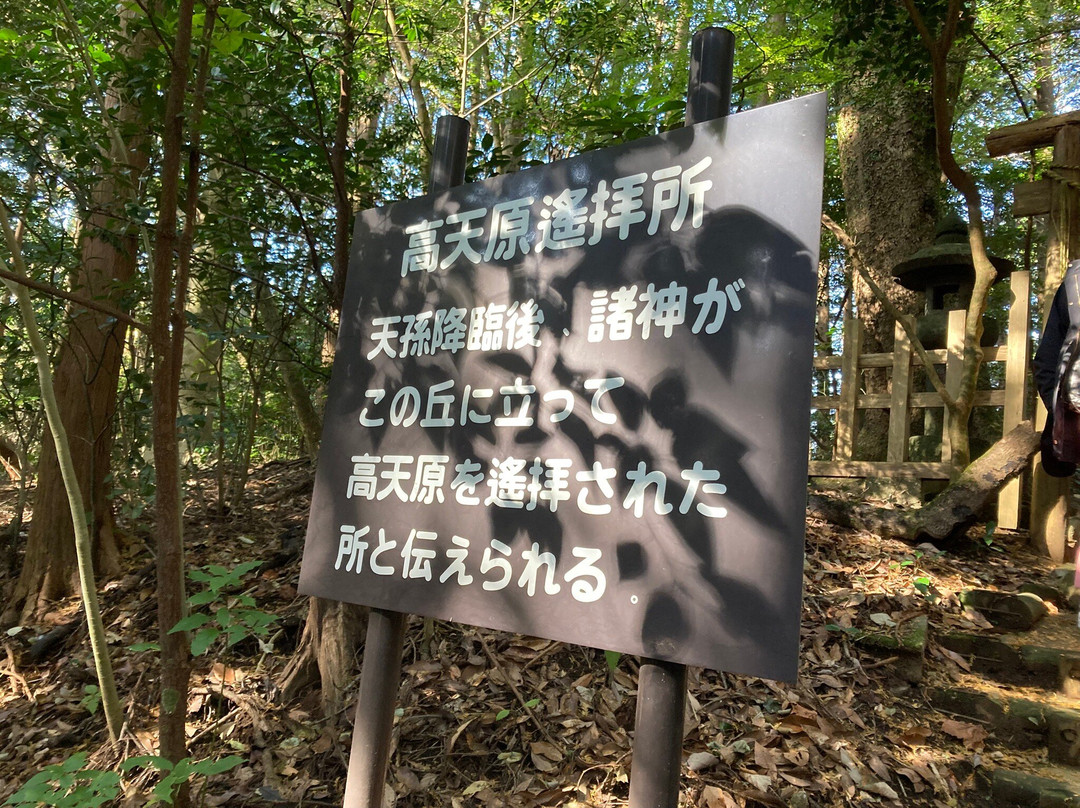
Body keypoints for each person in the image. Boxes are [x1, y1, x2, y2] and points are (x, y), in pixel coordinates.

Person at [1033, 259, 1080, 477]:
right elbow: (1046, 361)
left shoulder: (1075, 282)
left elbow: (1045, 362)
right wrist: (1059, 413)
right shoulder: (1074, 284)